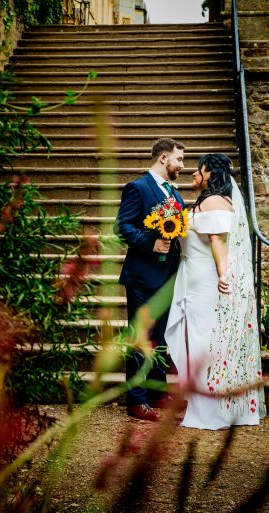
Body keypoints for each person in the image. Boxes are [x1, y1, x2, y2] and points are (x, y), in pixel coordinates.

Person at [165, 153, 266, 430]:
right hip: (195, 277)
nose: (193, 175)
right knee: (205, 341)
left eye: (198, 170)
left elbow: (218, 240)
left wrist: (223, 274)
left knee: (202, 343)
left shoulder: (213, 201)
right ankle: (215, 407)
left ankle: (208, 412)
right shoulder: (215, 200)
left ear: (209, 173)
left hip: (205, 280)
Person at [114, 138, 186, 422]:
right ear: (163, 158)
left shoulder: (173, 193)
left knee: (161, 337)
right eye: (179, 159)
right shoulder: (138, 188)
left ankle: (157, 392)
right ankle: (136, 399)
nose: (182, 165)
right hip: (143, 276)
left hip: (168, 276)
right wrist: (150, 243)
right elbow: (122, 226)